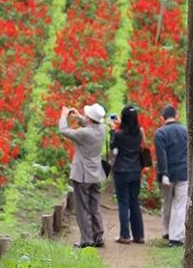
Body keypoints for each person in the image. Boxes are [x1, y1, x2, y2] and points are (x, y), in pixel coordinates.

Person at [58, 104, 107, 248]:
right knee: (94, 206)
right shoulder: (102, 129)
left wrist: (63, 116)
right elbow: (91, 124)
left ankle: (87, 239)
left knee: (82, 208)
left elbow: (64, 131)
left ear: (89, 118)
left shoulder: (84, 133)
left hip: (82, 174)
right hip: (96, 174)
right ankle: (98, 236)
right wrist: (78, 116)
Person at [110, 105, 145, 244]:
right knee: (134, 202)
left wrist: (113, 130)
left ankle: (125, 235)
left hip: (121, 171)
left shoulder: (118, 134)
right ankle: (139, 235)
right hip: (136, 171)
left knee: (123, 203)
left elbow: (113, 146)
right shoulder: (139, 133)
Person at [155, 104, 188, 247]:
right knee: (180, 205)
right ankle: (176, 237)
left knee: (167, 203)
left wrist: (164, 173)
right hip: (183, 172)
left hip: (167, 173)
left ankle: (167, 231)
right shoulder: (185, 130)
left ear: (162, 118)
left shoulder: (160, 133)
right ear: (176, 116)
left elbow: (161, 156)